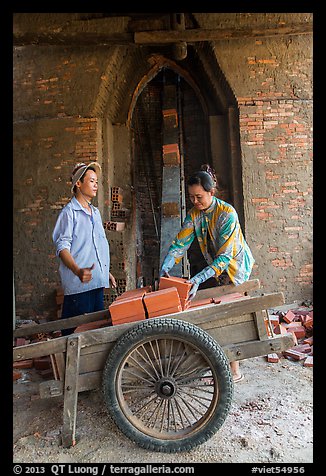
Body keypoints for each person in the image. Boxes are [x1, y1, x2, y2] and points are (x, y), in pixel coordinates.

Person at [160, 164, 255, 382]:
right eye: (191, 197)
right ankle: (218, 365)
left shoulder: (227, 214)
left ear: (211, 192)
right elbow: (180, 244)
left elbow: (224, 258)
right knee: (215, 316)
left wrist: (197, 279)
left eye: (199, 197)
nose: (195, 201)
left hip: (234, 270)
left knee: (228, 317)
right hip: (215, 269)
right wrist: (165, 267)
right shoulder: (194, 215)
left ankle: (234, 372)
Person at [53, 162, 116, 335]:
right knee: (74, 335)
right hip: (80, 286)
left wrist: (105, 271)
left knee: (94, 334)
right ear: (78, 184)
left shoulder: (95, 212)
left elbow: (96, 245)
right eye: (91, 181)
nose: (96, 185)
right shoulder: (69, 213)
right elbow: (62, 248)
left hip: (96, 283)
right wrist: (77, 270)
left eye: (96, 181)